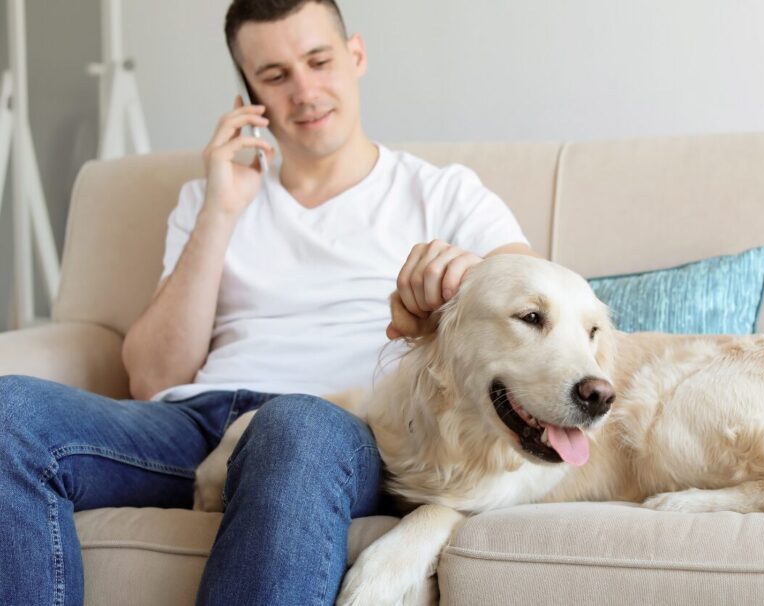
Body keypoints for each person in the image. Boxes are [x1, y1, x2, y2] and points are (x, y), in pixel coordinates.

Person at [0, 0, 533, 604]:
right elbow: (152, 377)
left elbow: (537, 301)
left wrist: (466, 276)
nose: (305, 91)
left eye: (318, 61)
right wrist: (221, 210)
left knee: (292, 421)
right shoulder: (209, 198)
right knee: (9, 410)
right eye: (276, 76)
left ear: (355, 55)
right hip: (195, 424)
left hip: (338, 423)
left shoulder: (443, 193)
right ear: (248, 94)